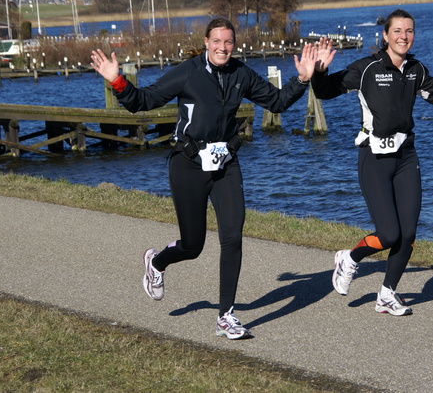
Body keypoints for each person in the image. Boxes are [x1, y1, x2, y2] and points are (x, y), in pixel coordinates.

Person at [90, 17, 317, 339]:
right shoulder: (189, 72)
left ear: (233, 45)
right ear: (207, 42)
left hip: (226, 164)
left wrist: (303, 79)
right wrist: (118, 82)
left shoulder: (241, 74)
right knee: (192, 245)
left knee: (233, 237)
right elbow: (144, 102)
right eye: (217, 42)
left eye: (228, 42)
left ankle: (226, 316)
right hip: (188, 164)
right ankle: (156, 262)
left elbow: (276, 102)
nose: (223, 48)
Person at [311, 9, 433, 316]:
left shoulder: (416, 70)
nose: (404, 36)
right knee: (389, 234)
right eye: (398, 31)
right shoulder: (366, 69)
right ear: (386, 36)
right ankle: (349, 258)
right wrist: (320, 71)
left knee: (408, 233)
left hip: (406, 157)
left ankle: (387, 294)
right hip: (374, 159)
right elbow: (325, 91)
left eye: (410, 31)